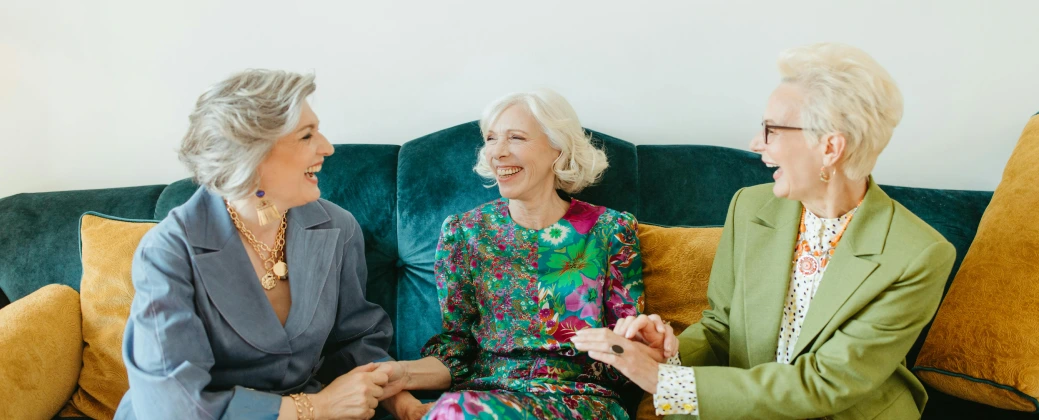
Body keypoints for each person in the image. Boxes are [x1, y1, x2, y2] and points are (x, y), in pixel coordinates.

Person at [573, 43, 957, 419]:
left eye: (772, 129)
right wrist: (668, 354)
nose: (757, 144)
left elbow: (826, 383)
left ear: (830, 148)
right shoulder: (750, 207)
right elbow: (720, 329)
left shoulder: (918, 254)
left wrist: (669, 383)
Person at [116, 70, 393, 420]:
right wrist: (314, 408)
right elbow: (173, 404)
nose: (327, 148)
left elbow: (356, 339)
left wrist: (396, 397)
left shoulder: (338, 227)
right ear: (252, 154)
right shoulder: (168, 252)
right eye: (307, 135)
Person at [372, 89, 644, 420]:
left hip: (582, 401)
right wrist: (402, 375)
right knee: (455, 410)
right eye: (491, 139)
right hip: (486, 401)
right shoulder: (465, 233)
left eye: (515, 137)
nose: (497, 152)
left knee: (454, 412)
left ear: (558, 148)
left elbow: (628, 347)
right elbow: (457, 349)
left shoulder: (610, 230)